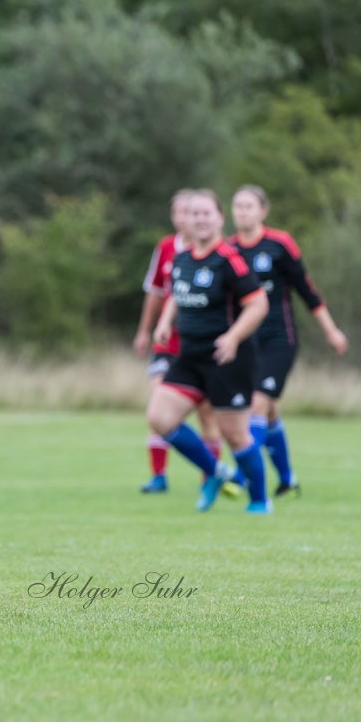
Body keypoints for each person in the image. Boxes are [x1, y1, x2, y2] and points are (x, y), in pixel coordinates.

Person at [147, 189, 271, 514]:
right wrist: (165, 321)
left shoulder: (229, 258)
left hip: (227, 359)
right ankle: (217, 473)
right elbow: (178, 292)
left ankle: (260, 501)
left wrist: (232, 338)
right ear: (185, 219)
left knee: (235, 435)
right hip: (189, 356)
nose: (199, 219)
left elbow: (258, 304)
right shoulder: (182, 257)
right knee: (159, 418)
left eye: (206, 213)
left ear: (219, 218)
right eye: (194, 214)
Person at [228, 185, 348, 496]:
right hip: (245, 343)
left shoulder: (280, 244)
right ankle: (287, 478)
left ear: (263, 211)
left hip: (279, 339)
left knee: (256, 404)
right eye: (237, 206)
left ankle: (244, 477)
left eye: (248, 206)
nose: (242, 211)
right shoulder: (227, 251)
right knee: (267, 411)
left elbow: (307, 291)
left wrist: (331, 330)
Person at [133, 190, 226, 493]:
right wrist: (146, 330)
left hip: (203, 348)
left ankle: (209, 477)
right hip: (168, 345)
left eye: (193, 212)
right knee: (158, 404)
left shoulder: (221, 254)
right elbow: (158, 292)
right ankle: (159, 475)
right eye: (181, 212)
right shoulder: (167, 249)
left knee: (208, 415)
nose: (187, 218)